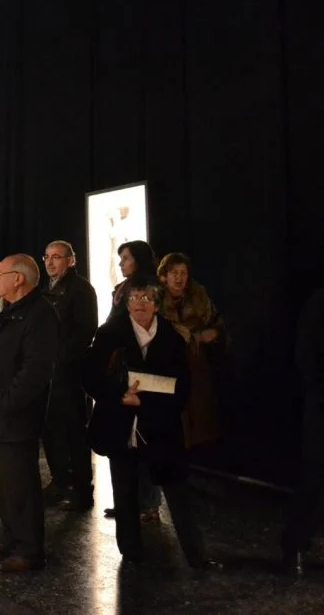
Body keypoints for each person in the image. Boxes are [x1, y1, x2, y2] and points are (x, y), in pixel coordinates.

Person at [84, 276, 218, 570]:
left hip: (161, 424)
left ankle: (196, 555)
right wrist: (120, 396)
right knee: (124, 490)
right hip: (120, 422)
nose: (139, 304)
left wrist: (144, 402)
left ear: (157, 305)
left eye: (146, 299)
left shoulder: (171, 336)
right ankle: (131, 553)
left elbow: (182, 386)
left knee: (176, 488)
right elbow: (90, 377)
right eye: (134, 298)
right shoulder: (109, 334)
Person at [0, 255, 58, 571]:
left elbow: (36, 369)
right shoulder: (11, 310)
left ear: (19, 279)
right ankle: (11, 538)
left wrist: (7, 402)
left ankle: (28, 550)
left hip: (16, 415)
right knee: (5, 484)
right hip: (0, 413)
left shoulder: (40, 313)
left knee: (21, 485)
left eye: (1, 273)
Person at [103, 240, 161, 521]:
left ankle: (148, 503)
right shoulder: (121, 289)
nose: (121, 263)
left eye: (126, 258)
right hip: (120, 367)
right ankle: (127, 501)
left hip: (143, 366)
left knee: (145, 436)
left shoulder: (151, 287)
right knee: (124, 437)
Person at [41, 240, 98, 511]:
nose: (50, 262)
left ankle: (82, 491)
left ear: (71, 260)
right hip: (48, 373)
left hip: (69, 374)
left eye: (57, 257)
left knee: (74, 433)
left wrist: (59, 358)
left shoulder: (81, 289)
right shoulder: (46, 288)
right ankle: (60, 482)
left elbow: (86, 330)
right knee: (52, 431)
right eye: (47, 257)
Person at [157, 253, 226, 448]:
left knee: (200, 411)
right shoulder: (156, 298)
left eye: (183, 273)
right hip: (167, 362)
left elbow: (216, 322)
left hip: (196, 361)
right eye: (174, 273)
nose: (179, 278)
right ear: (165, 275)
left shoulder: (198, 295)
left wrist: (213, 333)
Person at [282, 289, 324, 575]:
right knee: (314, 477)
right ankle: (294, 545)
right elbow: (306, 356)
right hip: (322, 404)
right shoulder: (319, 304)